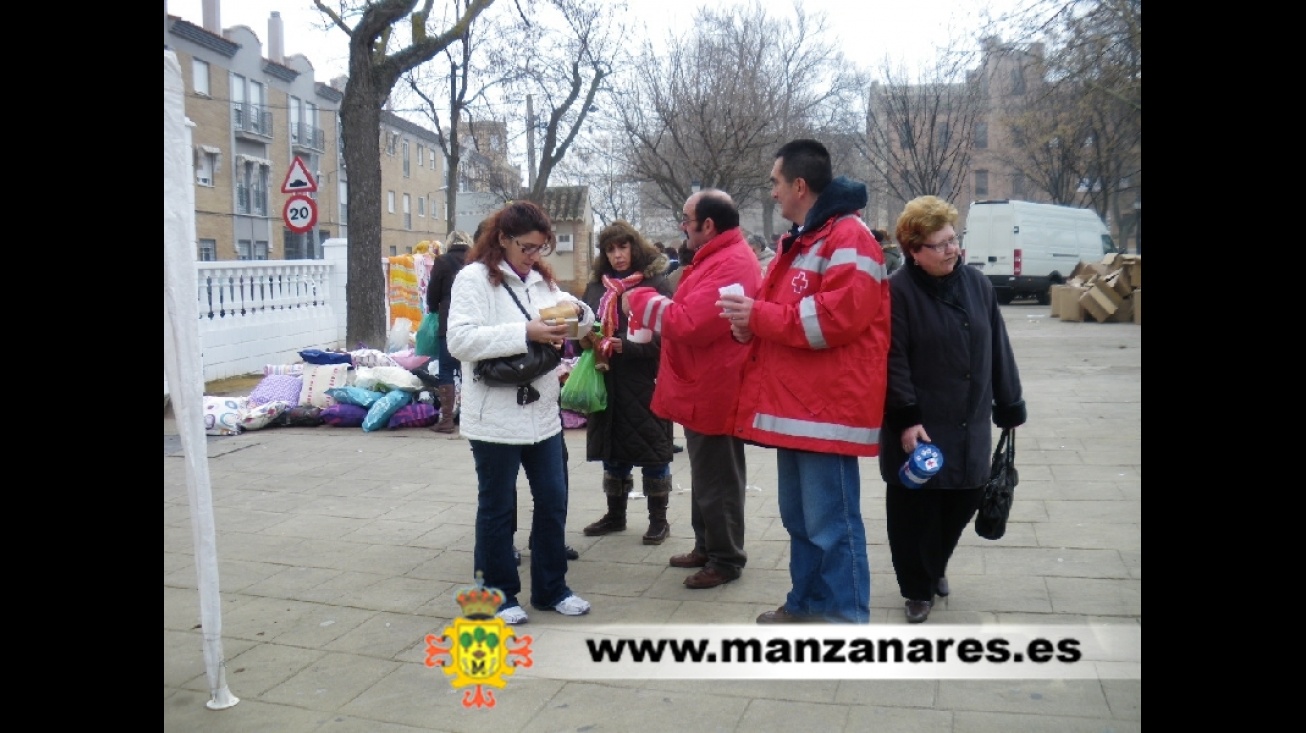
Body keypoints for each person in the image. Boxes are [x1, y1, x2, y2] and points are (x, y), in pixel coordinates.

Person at [719, 139, 889, 624]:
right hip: (800, 408)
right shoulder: (810, 237)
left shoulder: (847, 237)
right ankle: (808, 604)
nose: (771, 193)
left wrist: (760, 317)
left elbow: (836, 319)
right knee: (801, 521)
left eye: (774, 182)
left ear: (798, 185)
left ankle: (844, 619)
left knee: (831, 524)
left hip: (825, 411)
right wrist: (750, 322)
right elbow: (793, 316)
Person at [445, 200, 596, 625]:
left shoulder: (542, 282)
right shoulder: (473, 280)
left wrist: (580, 316)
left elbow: (574, 317)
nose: (534, 255)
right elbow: (459, 341)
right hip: (494, 416)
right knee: (497, 508)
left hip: (543, 413)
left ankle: (552, 589)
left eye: (541, 248)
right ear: (503, 239)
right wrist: (523, 332)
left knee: (553, 500)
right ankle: (498, 597)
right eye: (527, 247)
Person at [879, 195, 1026, 624]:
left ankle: (936, 564)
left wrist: (1009, 400)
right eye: (939, 244)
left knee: (964, 498)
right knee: (914, 511)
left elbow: (998, 343)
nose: (951, 249)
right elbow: (893, 359)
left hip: (970, 418)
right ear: (913, 251)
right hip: (920, 420)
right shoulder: (897, 292)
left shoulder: (977, 284)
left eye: (952, 240)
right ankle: (916, 589)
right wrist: (905, 419)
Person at [624, 189, 762, 589]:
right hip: (705, 383)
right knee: (706, 474)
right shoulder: (717, 257)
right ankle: (708, 546)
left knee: (718, 477)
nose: (682, 225)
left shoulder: (731, 263)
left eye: (686, 219)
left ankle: (725, 558)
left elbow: (689, 323)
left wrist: (643, 299)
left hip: (716, 386)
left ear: (708, 225)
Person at [577, 221, 676, 545]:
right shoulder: (596, 288)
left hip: (645, 380)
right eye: (610, 249)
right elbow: (582, 328)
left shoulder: (656, 284)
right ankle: (615, 515)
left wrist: (628, 345)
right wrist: (585, 338)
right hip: (607, 378)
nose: (618, 255)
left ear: (635, 247)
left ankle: (658, 520)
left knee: (653, 452)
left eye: (623, 247)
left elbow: (672, 335)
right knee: (613, 453)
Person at [426, 228, 474, 434]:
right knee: (471, 371)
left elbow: (432, 296)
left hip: (449, 323)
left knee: (446, 370)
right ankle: (471, 418)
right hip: (474, 322)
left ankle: (446, 420)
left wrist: (437, 307)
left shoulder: (443, 262)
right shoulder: (477, 262)